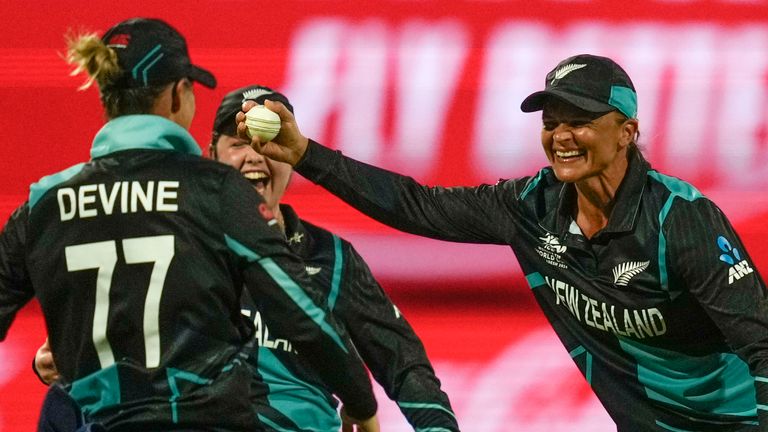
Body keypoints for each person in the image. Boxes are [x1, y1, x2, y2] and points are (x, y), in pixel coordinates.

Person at [237, 54, 768, 431]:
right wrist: (305, 152)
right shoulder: (529, 206)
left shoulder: (682, 220)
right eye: (551, 122)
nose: (560, 136)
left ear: (627, 131)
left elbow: (761, 346)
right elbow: (414, 204)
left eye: (580, 122)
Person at [0, 17, 378, 431]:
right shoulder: (214, 190)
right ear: (179, 94)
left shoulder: (45, 202)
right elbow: (299, 311)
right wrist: (360, 401)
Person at [211, 85, 459, 431]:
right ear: (213, 159)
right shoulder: (190, 248)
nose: (254, 154)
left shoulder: (331, 256)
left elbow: (403, 364)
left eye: (266, 140)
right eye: (238, 143)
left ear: (290, 160)